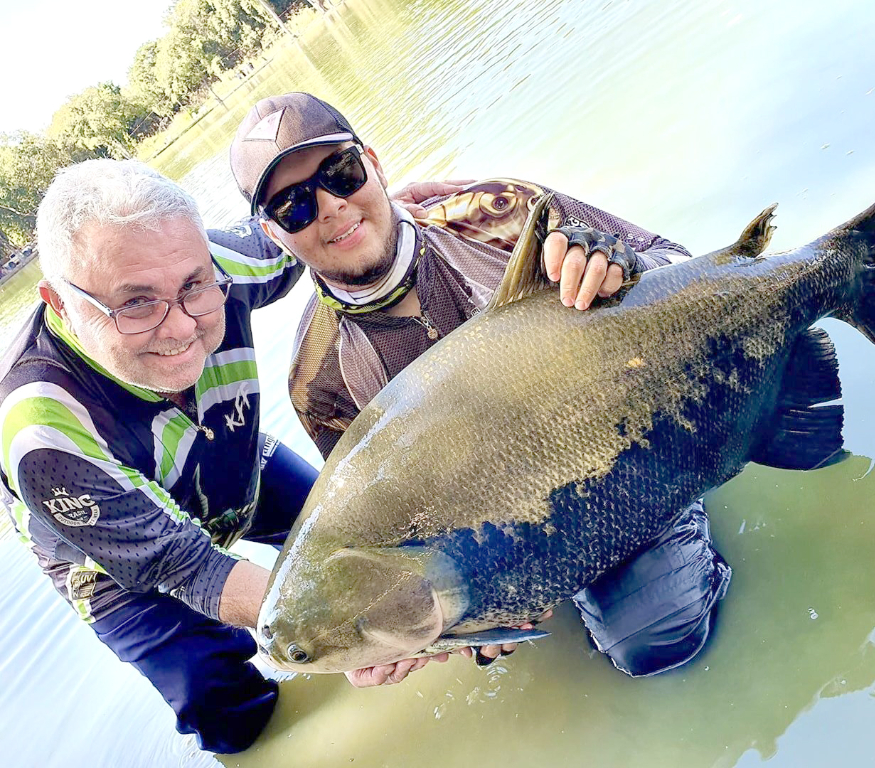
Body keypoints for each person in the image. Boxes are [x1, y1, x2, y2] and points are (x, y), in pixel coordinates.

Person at [228, 92, 733, 678]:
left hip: (644, 438)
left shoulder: (502, 213)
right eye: (294, 207)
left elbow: (690, 266)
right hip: (514, 541)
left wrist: (626, 266)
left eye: (340, 173)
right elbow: (389, 540)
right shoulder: (321, 383)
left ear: (372, 161)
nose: (332, 207)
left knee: (654, 639)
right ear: (272, 232)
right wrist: (450, 629)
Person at [0, 159, 462, 754]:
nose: (181, 329)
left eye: (194, 286)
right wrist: (337, 634)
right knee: (222, 704)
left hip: (233, 465)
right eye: (137, 304)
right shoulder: (42, 435)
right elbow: (186, 566)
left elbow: (311, 233)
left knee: (384, 548)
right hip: (115, 556)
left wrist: (383, 215)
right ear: (59, 304)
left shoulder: (229, 265)